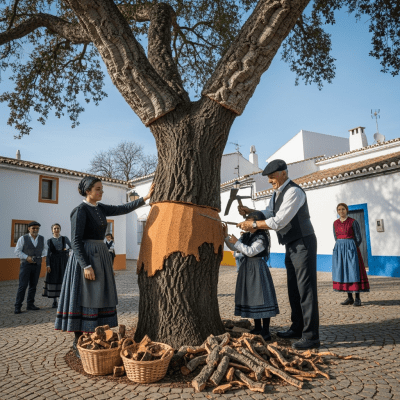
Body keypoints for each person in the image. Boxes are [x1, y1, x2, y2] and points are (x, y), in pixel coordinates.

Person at [55, 176, 154, 357]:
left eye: (102, 189)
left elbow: (121, 208)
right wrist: (85, 265)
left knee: (98, 294)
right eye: (98, 189)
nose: (101, 192)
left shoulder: (99, 208)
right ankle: (77, 341)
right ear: (88, 191)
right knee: (84, 296)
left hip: (100, 256)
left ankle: (95, 336)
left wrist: (145, 199)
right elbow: (76, 241)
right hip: (85, 258)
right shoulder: (80, 211)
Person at [237, 159, 320, 350]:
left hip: (303, 243)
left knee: (306, 290)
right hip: (291, 245)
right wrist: (251, 212)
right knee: (294, 289)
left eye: (272, 177)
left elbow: (279, 221)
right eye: (268, 177)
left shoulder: (294, 192)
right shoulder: (276, 194)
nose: (269, 181)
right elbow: (268, 212)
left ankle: (311, 336)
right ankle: (297, 328)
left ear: (283, 173)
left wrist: (254, 224)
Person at [223, 212, 279, 341]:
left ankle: (266, 330)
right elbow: (236, 248)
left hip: (258, 269)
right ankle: (257, 327)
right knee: (253, 298)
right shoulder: (247, 236)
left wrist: (237, 242)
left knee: (262, 298)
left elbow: (251, 251)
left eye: (249, 221)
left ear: (257, 223)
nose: (245, 223)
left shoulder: (261, 237)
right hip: (247, 268)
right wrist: (226, 236)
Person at [333, 203, 370, 306]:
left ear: (347, 210)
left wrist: (352, 247)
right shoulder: (335, 223)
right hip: (340, 250)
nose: (341, 211)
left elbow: (358, 238)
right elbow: (336, 237)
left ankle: (357, 298)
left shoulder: (353, 222)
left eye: (343, 209)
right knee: (344, 272)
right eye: (339, 209)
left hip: (351, 249)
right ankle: (350, 298)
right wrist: (341, 247)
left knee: (354, 271)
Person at [14, 221, 48, 314]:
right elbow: (17, 251)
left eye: (37, 228)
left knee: (33, 286)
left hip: (37, 265)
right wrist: (27, 257)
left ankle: (30, 305)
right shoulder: (23, 238)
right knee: (23, 286)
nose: (35, 230)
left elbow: (46, 249)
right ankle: (18, 306)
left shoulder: (42, 238)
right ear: (29, 228)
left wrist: (41, 255)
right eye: (33, 228)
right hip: (25, 265)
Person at [43, 223, 72, 308]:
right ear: (52, 230)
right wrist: (48, 265)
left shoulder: (64, 238)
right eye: (55, 228)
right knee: (54, 279)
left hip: (63, 261)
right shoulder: (49, 241)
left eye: (58, 228)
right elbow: (48, 254)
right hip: (54, 262)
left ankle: (63, 299)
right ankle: (54, 301)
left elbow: (72, 247)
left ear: (60, 229)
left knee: (63, 279)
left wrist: (66, 251)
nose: (56, 230)